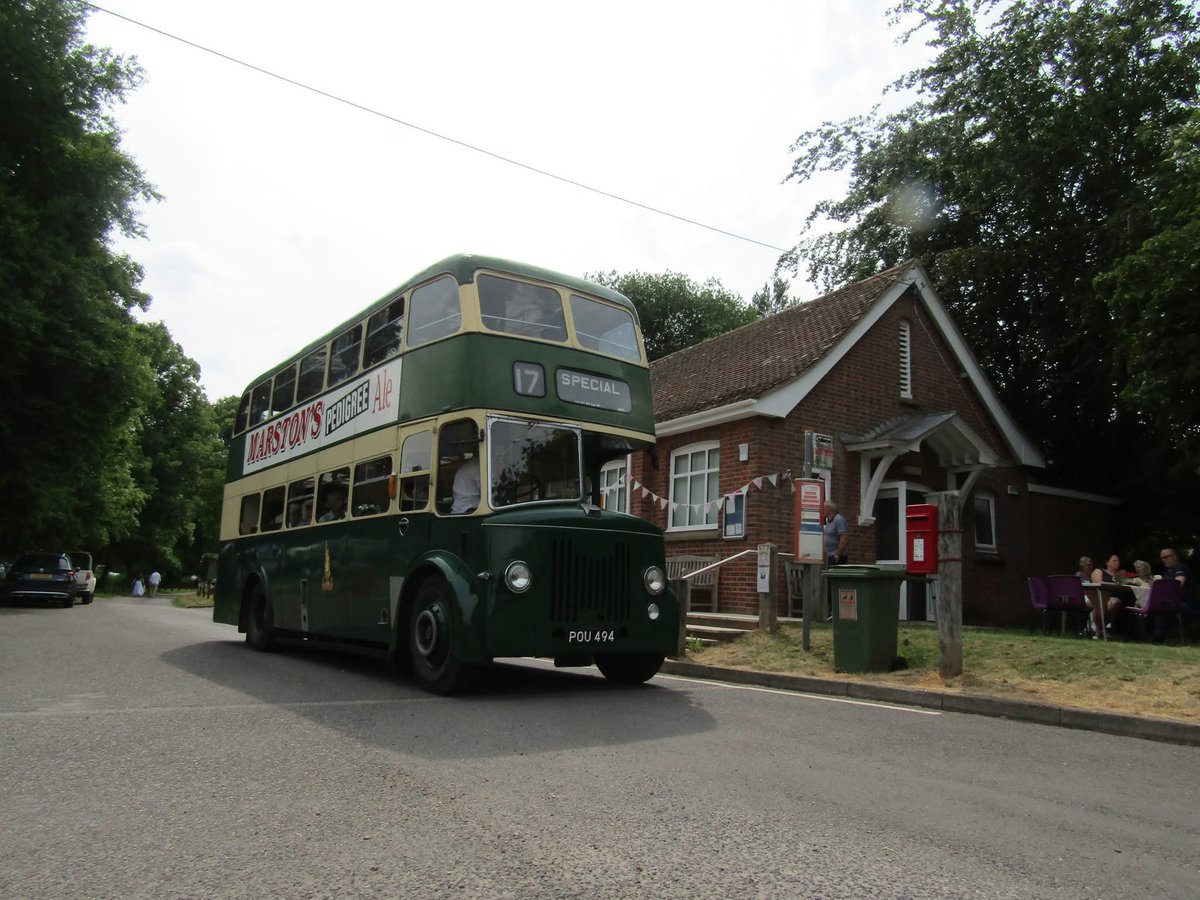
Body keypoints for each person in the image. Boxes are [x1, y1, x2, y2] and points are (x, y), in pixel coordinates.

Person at [1158, 548, 1199, 640]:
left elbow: (1178, 585)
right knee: (1157, 606)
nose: (1163, 560)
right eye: (1162, 558)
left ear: (1174, 557)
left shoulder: (1181, 568)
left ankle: (1159, 637)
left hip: (1188, 603)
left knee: (1163, 607)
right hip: (1174, 602)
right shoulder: (1167, 573)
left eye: (1166, 557)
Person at [823, 502, 849, 566]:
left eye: (823, 508)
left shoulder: (839, 519)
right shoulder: (829, 521)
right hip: (829, 555)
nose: (821, 511)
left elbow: (843, 539)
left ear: (828, 508)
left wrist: (837, 555)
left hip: (836, 555)